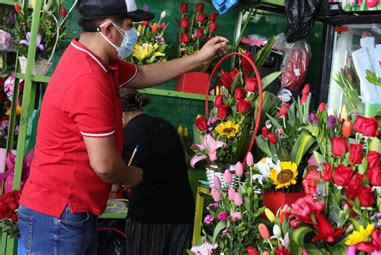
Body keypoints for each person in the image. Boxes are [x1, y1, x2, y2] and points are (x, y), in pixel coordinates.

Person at [17, 0, 227, 253]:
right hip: (59, 214)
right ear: (107, 30)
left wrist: (198, 58)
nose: (134, 34)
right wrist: (133, 176)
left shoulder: (99, 61)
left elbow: (143, 75)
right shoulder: (88, 78)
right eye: (128, 26)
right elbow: (105, 166)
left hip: (69, 210)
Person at [120, 88, 195, 255]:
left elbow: (114, 183)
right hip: (183, 213)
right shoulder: (165, 125)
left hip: (149, 215)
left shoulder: (125, 134)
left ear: (120, 115)